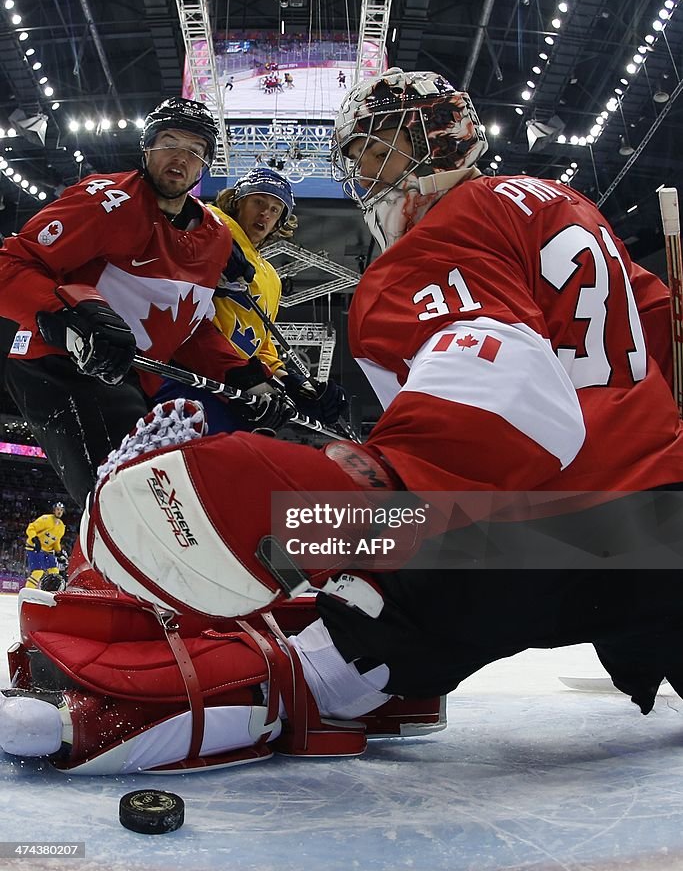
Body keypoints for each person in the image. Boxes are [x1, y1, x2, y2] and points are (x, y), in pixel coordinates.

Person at [4, 68, 683, 773]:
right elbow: (658, 326)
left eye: (366, 151)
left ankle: (121, 699)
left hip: (528, 536)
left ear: (417, 140)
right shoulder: (566, 203)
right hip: (662, 525)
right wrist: (67, 312)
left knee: (325, 652)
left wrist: (366, 500)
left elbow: (502, 394)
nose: (359, 174)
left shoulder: (431, 243)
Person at [0, 97, 290, 508]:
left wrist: (244, 376)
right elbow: (11, 264)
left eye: (194, 151)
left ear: (205, 164)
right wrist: (67, 316)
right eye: (169, 142)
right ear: (147, 147)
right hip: (59, 365)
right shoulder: (105, 201)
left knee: (165, 502)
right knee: (123, 502)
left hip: (129, 377)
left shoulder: (215, 238)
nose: (180, 158)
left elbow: (185, 326)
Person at [157, 167, 346, 432]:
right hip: (190, 374)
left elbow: (262, 343)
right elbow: (180, 208)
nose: (265, 213)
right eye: (258, 201)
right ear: (237, 201)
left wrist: (293, 383)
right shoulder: (212, 224)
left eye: (275, 210)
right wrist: (213, 244)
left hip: (239, 393)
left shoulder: (270, 277)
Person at [24, 500, 67, 590]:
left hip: (47, 550)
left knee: (54, 571)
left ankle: (50, 591)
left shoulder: (62, 526)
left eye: (61, 510)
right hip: (34, 548)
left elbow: (56, 541)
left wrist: (59, 553)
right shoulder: (46, 519)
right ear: (54, 510)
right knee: (38, 572)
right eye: (57, 509)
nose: (59, 511)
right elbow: (31, 528)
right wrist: (34, 539)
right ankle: (28, 591)